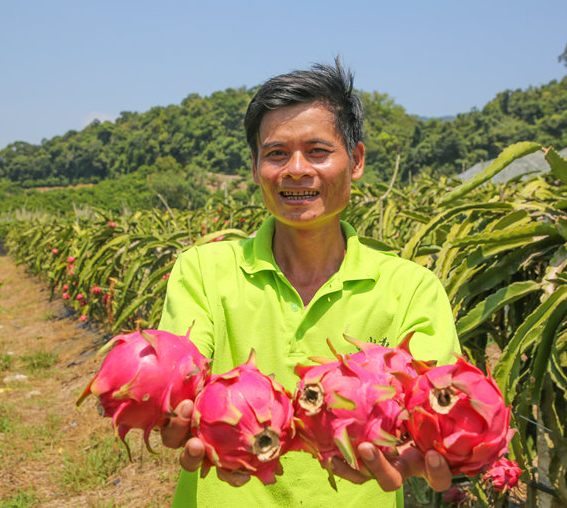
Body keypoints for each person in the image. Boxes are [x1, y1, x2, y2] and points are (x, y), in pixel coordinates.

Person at [158, 60, 461, 507]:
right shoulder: (202, 271)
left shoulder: (411, 288)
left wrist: (436, 449)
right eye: (276, 153)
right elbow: (180, 376)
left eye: (318, 151)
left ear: (355, 161)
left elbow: (439, 410)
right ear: (257, 165)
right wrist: (167, 405)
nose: (296, 169)